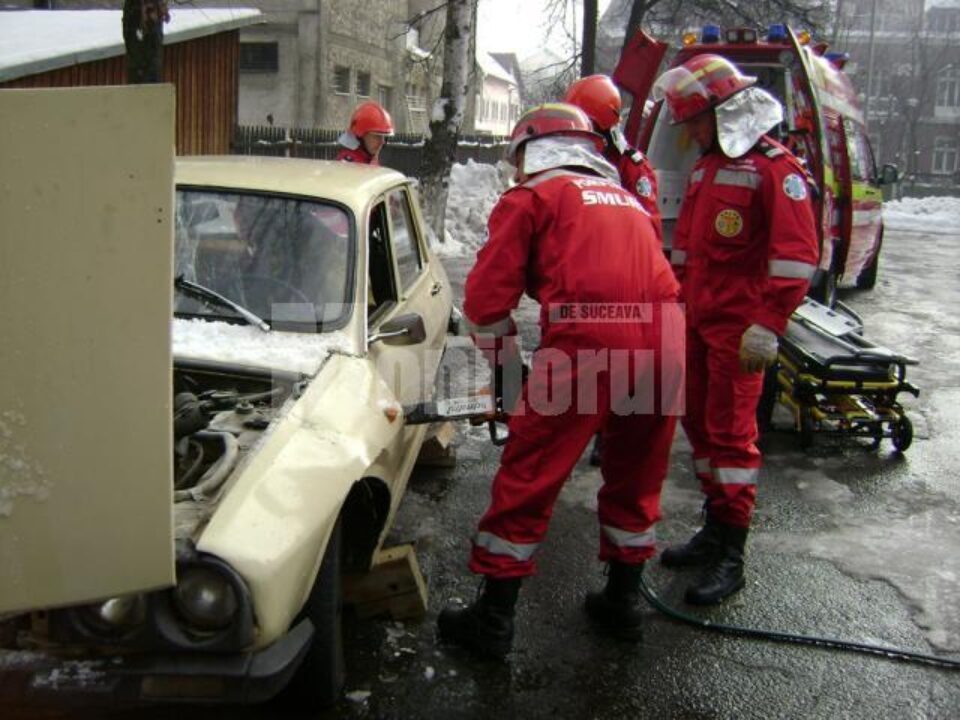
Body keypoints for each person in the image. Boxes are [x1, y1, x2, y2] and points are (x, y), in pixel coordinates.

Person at [437, 103, 683, 658]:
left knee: (530, 472)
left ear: (531, 151)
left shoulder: (532, 198)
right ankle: (623, 602)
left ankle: (493, 620)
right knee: (638, 471)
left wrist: (507, 382)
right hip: (666, 338)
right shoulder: (629, 200)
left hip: (590, 342)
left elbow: (485, 303)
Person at [652, 55, 819, 605]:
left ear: (724, 112)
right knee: (700, 430)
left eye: (696, 121)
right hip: (700, 325)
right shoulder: (707, 166)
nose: (692, 133)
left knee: (730, 440)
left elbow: (796, 259)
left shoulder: (777, 171)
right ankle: (715, 527)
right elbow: (689, 250)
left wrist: (767, 325)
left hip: (739, 335)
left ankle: (733, 555)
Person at [564, 73, 663, 467]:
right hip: (583, 280)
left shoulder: (632, 170)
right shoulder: (580, 159)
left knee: (619, 368)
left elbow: (647, 229)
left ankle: (609, 434)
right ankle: (583, 427)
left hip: (623, 283)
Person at [335, 101, 394, 165]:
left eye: (384, 137)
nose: (382, 142)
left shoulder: (369, 158)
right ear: (360, 136)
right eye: (377, 136)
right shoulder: (348, 164)